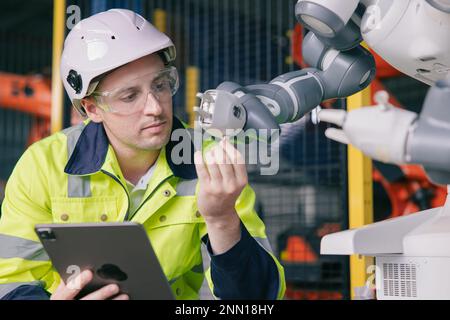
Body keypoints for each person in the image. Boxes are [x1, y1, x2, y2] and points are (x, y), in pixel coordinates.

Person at [0, 8, 285, 300]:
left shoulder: (210, 163)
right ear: (92, 108)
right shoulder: (43, 165)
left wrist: (222, 219)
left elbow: (258, 301)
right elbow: (10, 285)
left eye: (160, 85)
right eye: (129, 95)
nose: (155, 107)